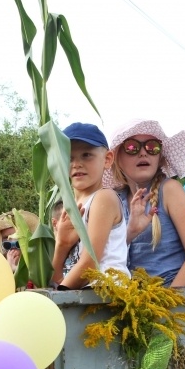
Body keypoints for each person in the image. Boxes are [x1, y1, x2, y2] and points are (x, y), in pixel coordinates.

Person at [105, 119, 185, 287]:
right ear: (116, 159)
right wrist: (129, 233)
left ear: (160, 158)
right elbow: (104, 258)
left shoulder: (169, 190)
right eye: (131, 147)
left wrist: (167, 302)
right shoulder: (114, 199)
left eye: (152, 146)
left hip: (169, 299)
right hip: (130, 301)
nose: (143, 153)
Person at [52, 122, 130, 289]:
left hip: (106, 294)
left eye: (86, 155)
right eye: (69, 157)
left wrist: (57, 298)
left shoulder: (104, 198)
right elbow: (57, 277)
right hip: (79, 294)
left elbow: (90, 264)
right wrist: (61, 244)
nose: (76, 164)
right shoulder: (67, 208)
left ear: (107, 159)